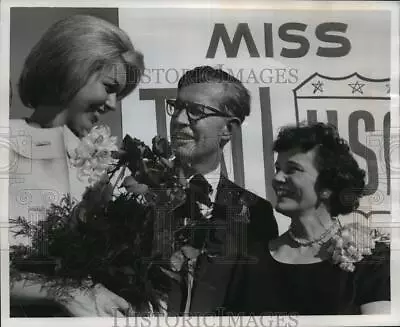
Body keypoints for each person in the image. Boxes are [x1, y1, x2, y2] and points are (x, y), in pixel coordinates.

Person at [9, 14, 144, 317]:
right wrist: (66, 292)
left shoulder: (104, 166)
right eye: (109, 87)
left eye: (118, 94)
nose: (112, 104)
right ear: (72, 70)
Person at [226, 122, 390, 315]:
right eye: (278, 168)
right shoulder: (251, 260)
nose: (277, 178)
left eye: (292, 169)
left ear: (328, 186)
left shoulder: (371, 258)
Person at [163, 66, 279, 315]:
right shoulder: (133, 193)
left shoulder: (255, 213)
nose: (179, 119)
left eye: (195, 111)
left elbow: (255, 304)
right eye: (177, 107)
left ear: (228, 129)